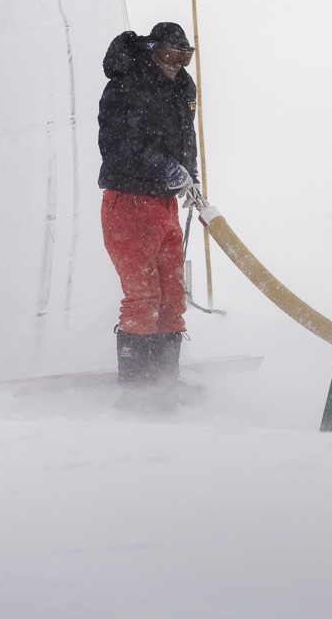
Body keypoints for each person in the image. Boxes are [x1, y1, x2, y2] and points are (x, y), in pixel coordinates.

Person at [97, 21, 199, 411]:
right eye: (170, 56)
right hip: (129, 202)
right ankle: (137, 391)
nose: (176, 64)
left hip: (164, 204)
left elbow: (185, 138)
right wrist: (163, 166)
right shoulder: (126, 86)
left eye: (184, 57)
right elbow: (119, 144)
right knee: (144, 298)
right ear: (153, 52)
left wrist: (189, 174)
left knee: (172, 297)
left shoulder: (182, 88)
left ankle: (165, 383)